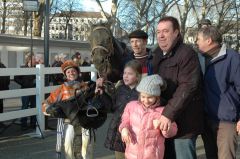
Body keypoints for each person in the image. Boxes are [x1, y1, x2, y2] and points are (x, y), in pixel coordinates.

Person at [152, 16, 204, 159]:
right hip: (163, 122)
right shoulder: (156, 54)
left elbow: (188, 87)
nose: (161, 36)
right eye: (158, 32)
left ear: (176, 33)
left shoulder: (186, 54)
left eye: (165, 31)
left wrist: (168, 114)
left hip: (184, 124)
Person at [196, 26, 240, 159]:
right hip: (207, 120)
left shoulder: (232, 58)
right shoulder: (201, 59)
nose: (196, 42)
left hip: (226, 122)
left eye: (198, 39)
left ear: (208, 40)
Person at [42, 60, 94, 159]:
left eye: (73, 71)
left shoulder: (86, 87)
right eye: (68, 72)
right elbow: (46, 103)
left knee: (87, 148)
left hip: (84, 122)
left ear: (78, 72)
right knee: (68, 146)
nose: (71, 73)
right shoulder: (61, 89)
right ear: (65, 75)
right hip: (68, 122)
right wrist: (50, 110)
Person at [119, 74, 178, 159]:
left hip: (153, 155)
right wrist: (124, 129)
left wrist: (163, 126)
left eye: (150, 97)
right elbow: (125, 120)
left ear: (157, 97)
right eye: (143, 96)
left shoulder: (163, 111)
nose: (146, 100)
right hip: (132, 154)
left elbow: (173, 130)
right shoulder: (131, 106)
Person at [95, 60, 142, 159]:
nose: (126, 76)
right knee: (119, 156)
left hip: (133, 133)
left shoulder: (142, 92)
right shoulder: (120, 89)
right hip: (118, 133)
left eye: (130, 74)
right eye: (125, 73)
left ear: (137, 76)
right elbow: (111, 107)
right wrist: (102, 94)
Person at [14, 53, 37, 130]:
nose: (35, 60)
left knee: (34, 107)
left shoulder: (37, 68)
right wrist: (24, 83)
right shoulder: (22, 68)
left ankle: (33, 124)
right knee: (25, 107)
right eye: (34, 59)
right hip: (25, 90)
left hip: (34, 91)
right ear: (29, 60)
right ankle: (23, 124)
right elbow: (16, 78)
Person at [0, 60, 10, 126]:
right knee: (0, 106)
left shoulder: (3, 66)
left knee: (0, 106)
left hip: (2, 89)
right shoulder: (3, 66)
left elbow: (7, 78)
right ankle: (0, 122)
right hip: (3, 89)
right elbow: (7, 78)